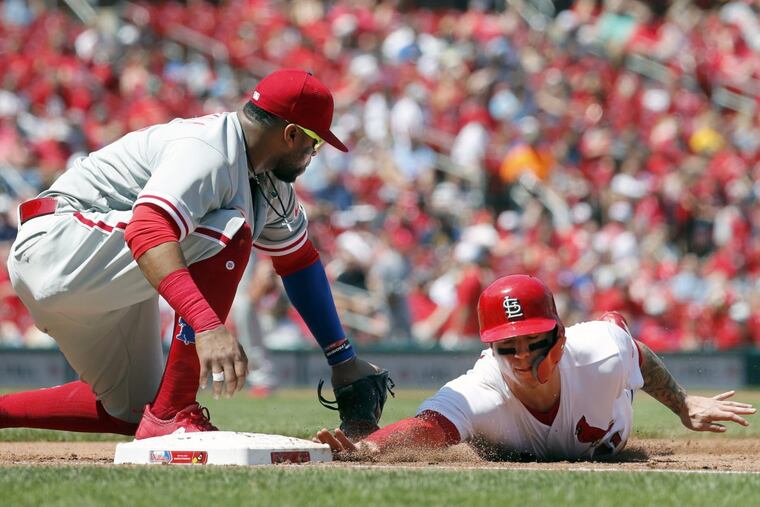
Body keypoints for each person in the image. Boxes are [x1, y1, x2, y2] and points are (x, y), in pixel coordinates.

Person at [1, 69, 393, 440]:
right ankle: (175, 411)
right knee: (229, 228)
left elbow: (299, 263)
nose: (315, 151)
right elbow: (147, 229)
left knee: (134, 410)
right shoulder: (208, 149)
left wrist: (342, 358)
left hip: (93, 271)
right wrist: (207, 326)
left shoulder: (269, 184)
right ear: (291, 134)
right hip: (57, 243)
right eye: (315, 141)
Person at [317, 274, 756, 460]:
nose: (524, 358)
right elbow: (428, 427)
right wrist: (370, 448)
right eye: (509, 347)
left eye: (535, 342)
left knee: (612, 328)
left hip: (608, 382)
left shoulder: (603, 353)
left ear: (558, 338)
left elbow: (637, 352)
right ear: (490, 350)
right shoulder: (479, 389)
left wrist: (682, 404)